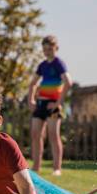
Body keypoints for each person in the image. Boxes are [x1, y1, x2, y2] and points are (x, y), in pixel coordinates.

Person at [27, 35, 73, 176]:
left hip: (53, 106)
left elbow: (68, 82)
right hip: (41, 104)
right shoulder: (42, 65)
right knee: (35, 134)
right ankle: (36, 167)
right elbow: (33, 83)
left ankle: (57, 168)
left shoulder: (59, 64)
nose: (48, 51)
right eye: (45, 49)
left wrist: (58, 102)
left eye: (50, 48)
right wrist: (31, 100)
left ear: (56, 48)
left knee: (53, 135)